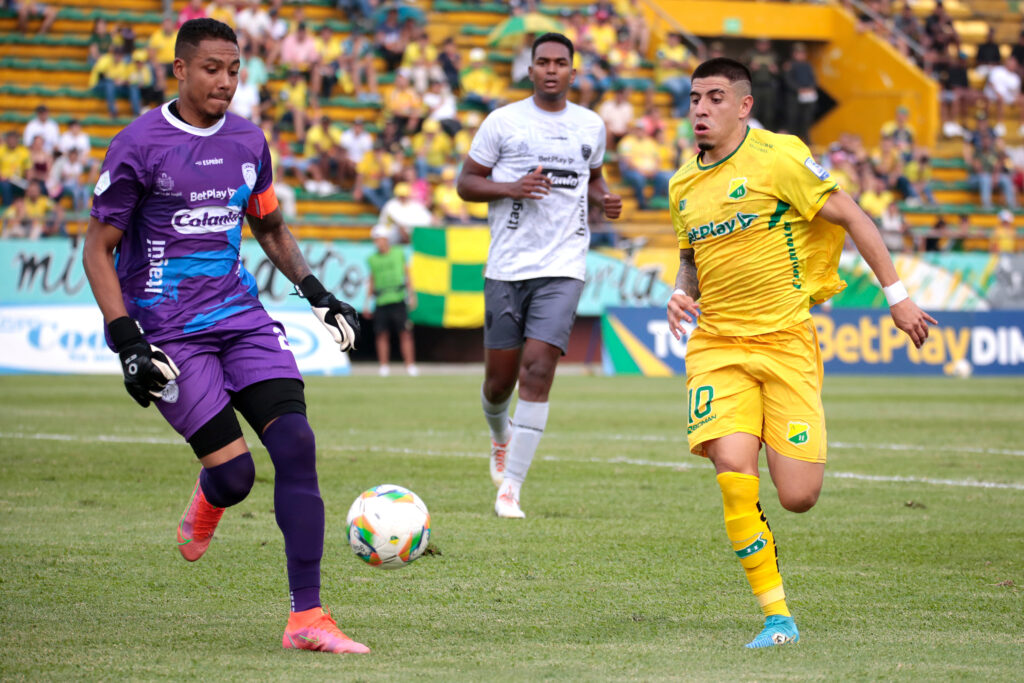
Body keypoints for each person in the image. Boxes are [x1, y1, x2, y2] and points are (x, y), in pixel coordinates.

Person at [81, 18, 369, 655]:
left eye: (234, 69)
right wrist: (127, 341)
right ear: (180, 69)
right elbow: (97, 249)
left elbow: (268, 226)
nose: (225, 81)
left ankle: (307, 617)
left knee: (296, 443)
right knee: (236, 478)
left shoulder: (248, 140)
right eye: (212, 68)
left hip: (240, 317)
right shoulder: (138, 144)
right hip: (169, 333)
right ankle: (212, 494)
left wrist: (318, 294)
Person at [665, 58, 936, 649]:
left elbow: (852, 214)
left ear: (744, 106)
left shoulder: (779, 157)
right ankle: (776, 617)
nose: (701, 109)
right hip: (717, 346)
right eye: (694, 98)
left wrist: (898, 299)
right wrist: (681, 291)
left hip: (786, 342)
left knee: (798, 496)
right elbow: (690, 257)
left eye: (715, 97)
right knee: (734, 473)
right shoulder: (681, 183)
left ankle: (773, 437)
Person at [456, 33, 622, 518]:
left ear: (573, 71)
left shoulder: (591, 125)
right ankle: (499, 434)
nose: (552, 69)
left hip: (564, 266)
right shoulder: (502, 121)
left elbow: (593, 179)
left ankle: (510, 488)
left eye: (560, 62)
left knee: (538, 369)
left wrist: (605, 199)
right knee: (498, 384)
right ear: (530, 70)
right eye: (543, 62)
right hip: (507, 267)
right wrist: (512, 187)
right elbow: (466, 183)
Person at [365, 224, 418, 377]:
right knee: (381, 334)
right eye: (375, 240)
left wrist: (412, 294)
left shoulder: (398, 253)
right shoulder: (372, 259)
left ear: (386, 239)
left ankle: (410, 365)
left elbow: (407, 275)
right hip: (381, 300)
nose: (377, 243)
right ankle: (384, 366)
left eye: (379, 239)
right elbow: (372, 280)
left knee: (405, 332)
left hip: (398, 297)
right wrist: (367, 302)